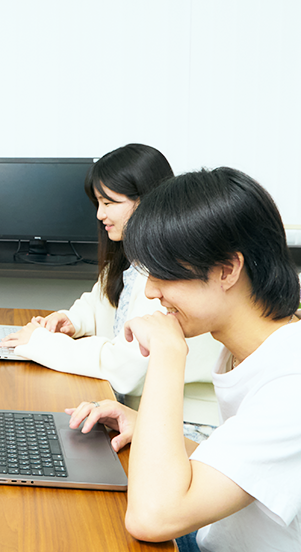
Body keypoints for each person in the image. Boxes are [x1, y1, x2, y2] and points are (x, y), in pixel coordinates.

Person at [67, 167, 301, 551]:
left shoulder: (291, 384)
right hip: (213, 533)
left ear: (227, 270)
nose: (152, 291)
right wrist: (146, 427)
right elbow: (240, 468)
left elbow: (151, 518)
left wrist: (168, 352)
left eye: (164, 273)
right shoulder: (247, 349)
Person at [0, 144, 219, 426]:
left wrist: (42, 344)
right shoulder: (132, 257)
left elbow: (126, 368)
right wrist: (72, 320)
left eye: (109, 203)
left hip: (187, 422)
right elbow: (98, 301)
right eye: (98, 203)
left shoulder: (169, 270)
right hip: (143, 412)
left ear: (146, 200)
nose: (99, 215)